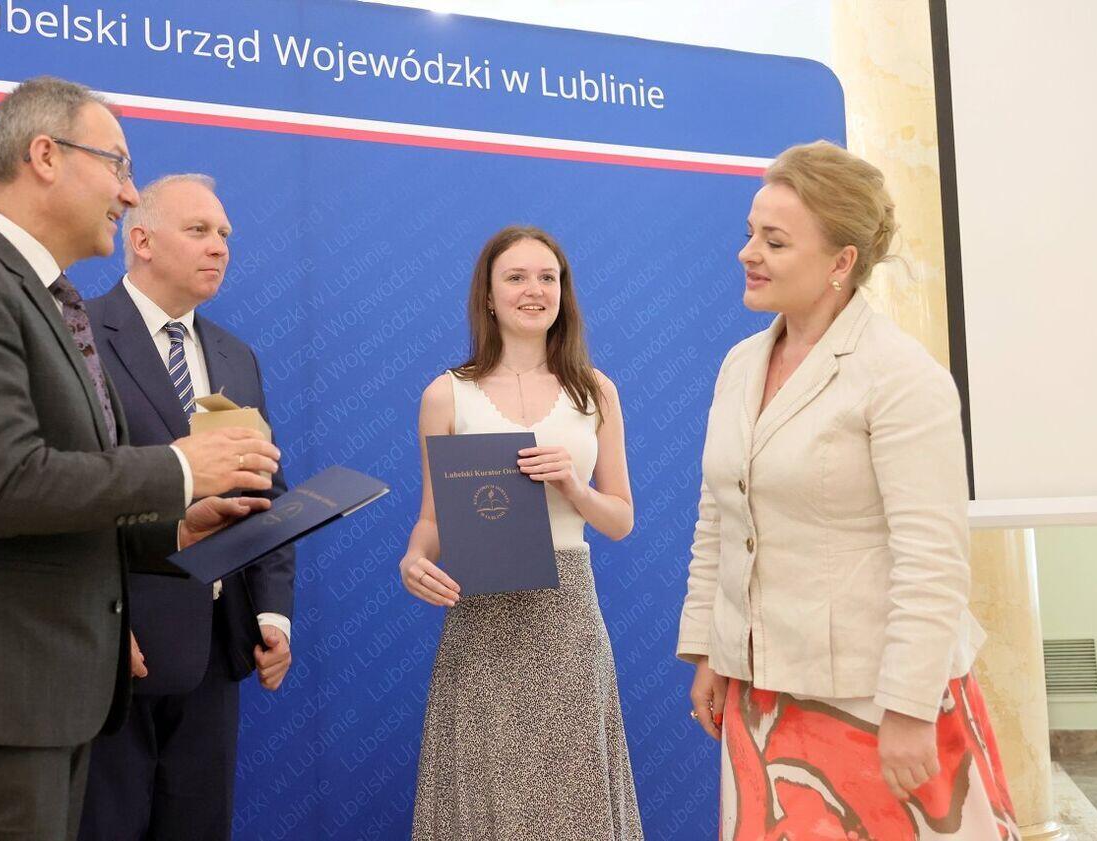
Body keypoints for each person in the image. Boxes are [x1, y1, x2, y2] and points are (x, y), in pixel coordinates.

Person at [0, 77, 279, 840]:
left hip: (49, 698)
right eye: (117, 164)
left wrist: (174, 527)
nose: (128, 191)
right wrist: (182, 469)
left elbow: (61, 496)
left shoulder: (45, 300)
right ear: (45, 155)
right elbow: (5, 484)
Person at [677, 140, 1019, 839]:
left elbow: (932, 560)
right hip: (762, 697)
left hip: (878, 703)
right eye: (750, 233)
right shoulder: (740, 365)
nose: (748, 253)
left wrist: (910, 708)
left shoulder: (901, 376)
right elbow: (719, 519)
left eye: (774, 241)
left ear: (841, 262)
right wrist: (710, 651)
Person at [402, 225, 643, 840]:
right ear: (488, 296)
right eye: (516, 277)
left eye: (547, 278)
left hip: (568, 621)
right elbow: (432, 520)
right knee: (484, 797)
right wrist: (414, 559)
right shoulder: (445, 395)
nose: (534, 290)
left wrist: (574, 488)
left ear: (564, 292)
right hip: (482, 620)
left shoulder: (595, 391)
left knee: (574, 803)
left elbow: (620, 519)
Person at [79, 173, 294, 841]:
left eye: (224, 233)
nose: (219, 246)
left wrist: (272, 614)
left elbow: (266, 492)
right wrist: (99, 620)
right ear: (141, 240)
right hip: (118, 655)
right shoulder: (77, 336)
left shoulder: (236, 355)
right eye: (199, 230)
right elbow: (68, 491)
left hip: (217, 652)